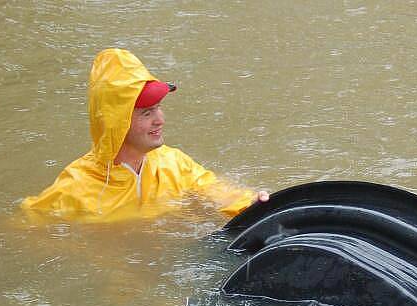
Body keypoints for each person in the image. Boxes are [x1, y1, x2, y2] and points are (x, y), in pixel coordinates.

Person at [21, 48, 268, 223]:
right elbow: (25, 229)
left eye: (159, 108)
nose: (160, 120)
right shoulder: (75, 190)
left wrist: (251, 205)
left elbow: (213, 189)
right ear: (117, 123)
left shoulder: (173, 162)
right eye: (147, 112)